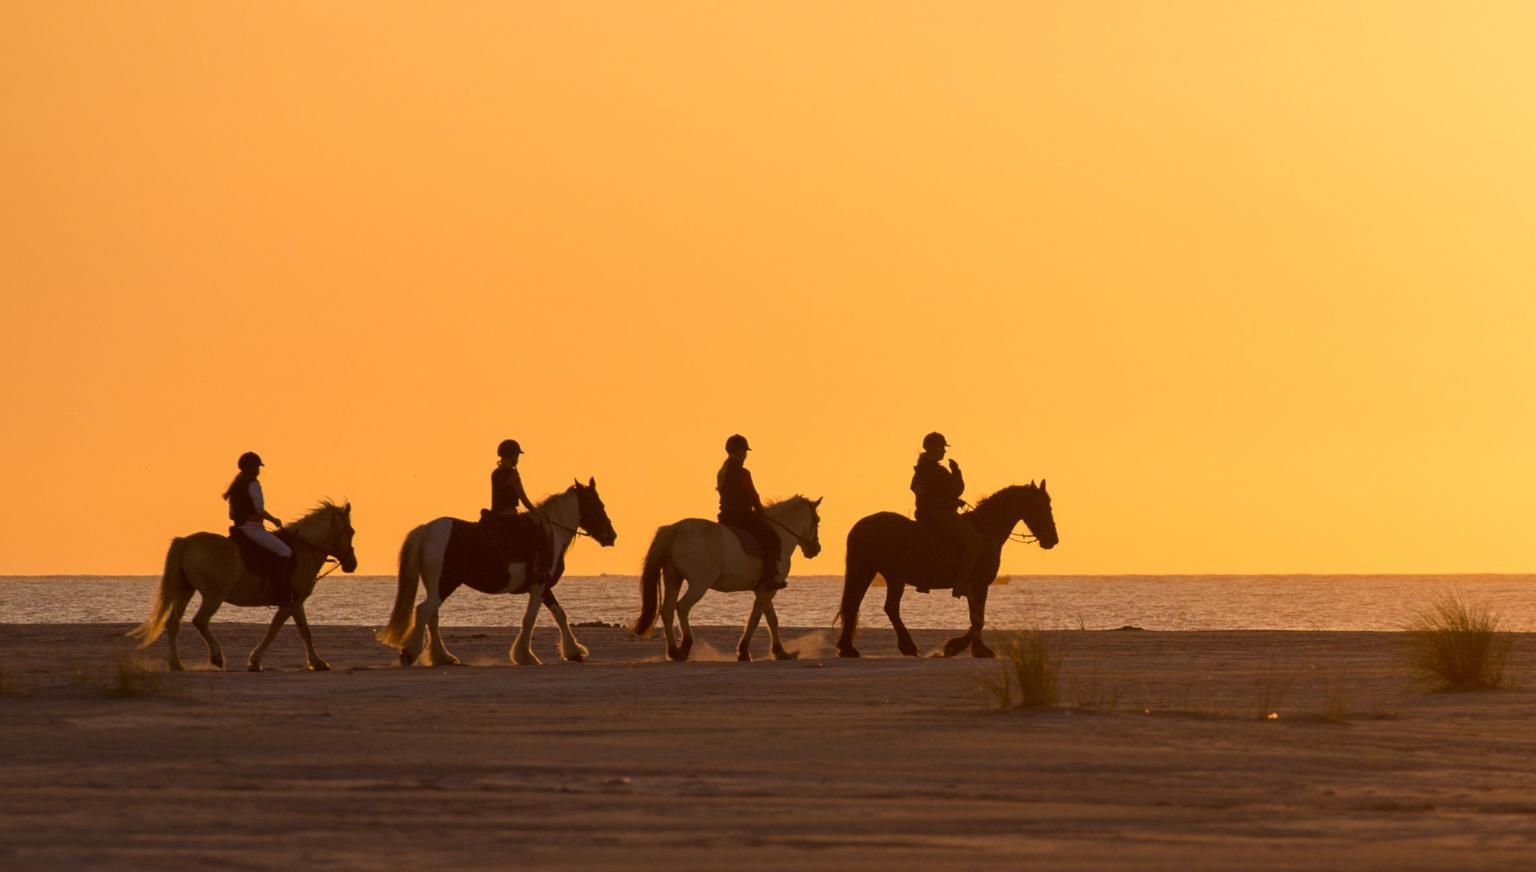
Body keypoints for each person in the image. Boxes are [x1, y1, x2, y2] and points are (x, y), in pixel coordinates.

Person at [910, 432, 983, 598]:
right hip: (940, 515)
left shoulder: (920, 471)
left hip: (924, 514)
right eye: (942, 448)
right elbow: (956, 490)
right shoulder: (938, 471)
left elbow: (923, 492)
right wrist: (956, 471)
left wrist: (952, 501)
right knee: (974, 542)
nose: (944, 451)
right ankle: (961, 583)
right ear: (934, 448)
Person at [717, 434, 784, 591]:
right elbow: (753, 495)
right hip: (742, 517)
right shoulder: (742, 473)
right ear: (738, 452)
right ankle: (769, 579)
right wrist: (761, 511)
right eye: (744, 451)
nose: (745, 455)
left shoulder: (723, 472)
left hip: (725, 517)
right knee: (773, 538)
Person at [222, 451, 292, 601]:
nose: (259, 471)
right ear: (252, 468)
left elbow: (232, 514)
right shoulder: (253, 484)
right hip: (252, 528)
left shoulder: (236, 485)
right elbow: (259, 510)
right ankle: (281, 591)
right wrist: (274, 520)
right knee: (285, 550)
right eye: (257, 467)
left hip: (239, 528)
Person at [488, 439, 547, 586]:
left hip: (495, 516)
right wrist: (536, 513)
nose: (518, 459)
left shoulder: (495, 473)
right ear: (512, 455)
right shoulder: (512, 474)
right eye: (517, 455)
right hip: (509, 516)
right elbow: (523, 498)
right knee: (536, 532)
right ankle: (535, 569)